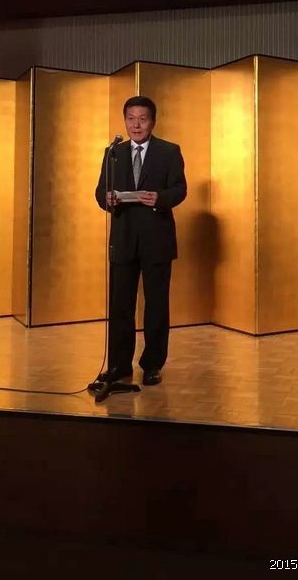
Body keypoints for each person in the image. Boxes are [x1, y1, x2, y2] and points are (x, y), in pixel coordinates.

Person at [94, 96, 187, 386]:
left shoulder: (169, 151)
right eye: (131, 118)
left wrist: (160, 198)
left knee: (156, 306)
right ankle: (119, 365)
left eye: (142, 119)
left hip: (157, 240)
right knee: (120, 306)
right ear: (125, 120)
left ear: (152, 121)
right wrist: (107, 199)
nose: (136, 124)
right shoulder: (114, 152)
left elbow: (180, 189)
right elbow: (100, 191)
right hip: (123, 240)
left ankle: (152, 365)